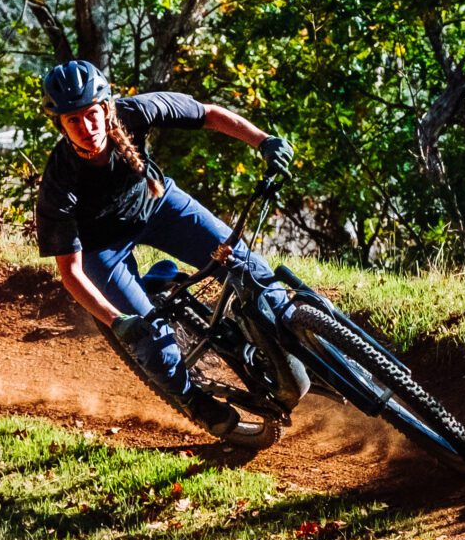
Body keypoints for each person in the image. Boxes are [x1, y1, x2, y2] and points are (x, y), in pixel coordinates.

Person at [35, 60, 295, 442]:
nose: (87, 128)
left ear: (106, 107)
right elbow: (71, 272)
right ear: (60, 124)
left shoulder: (136, 111)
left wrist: (263, 141)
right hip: (102, 248)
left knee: (249, 268)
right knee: (150, 338)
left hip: (157, 205)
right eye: (73, 121)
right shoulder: (59, 181)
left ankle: (295, 339)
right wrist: (115, 320)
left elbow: (207, 114)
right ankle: (195, 402)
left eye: (91, 115)